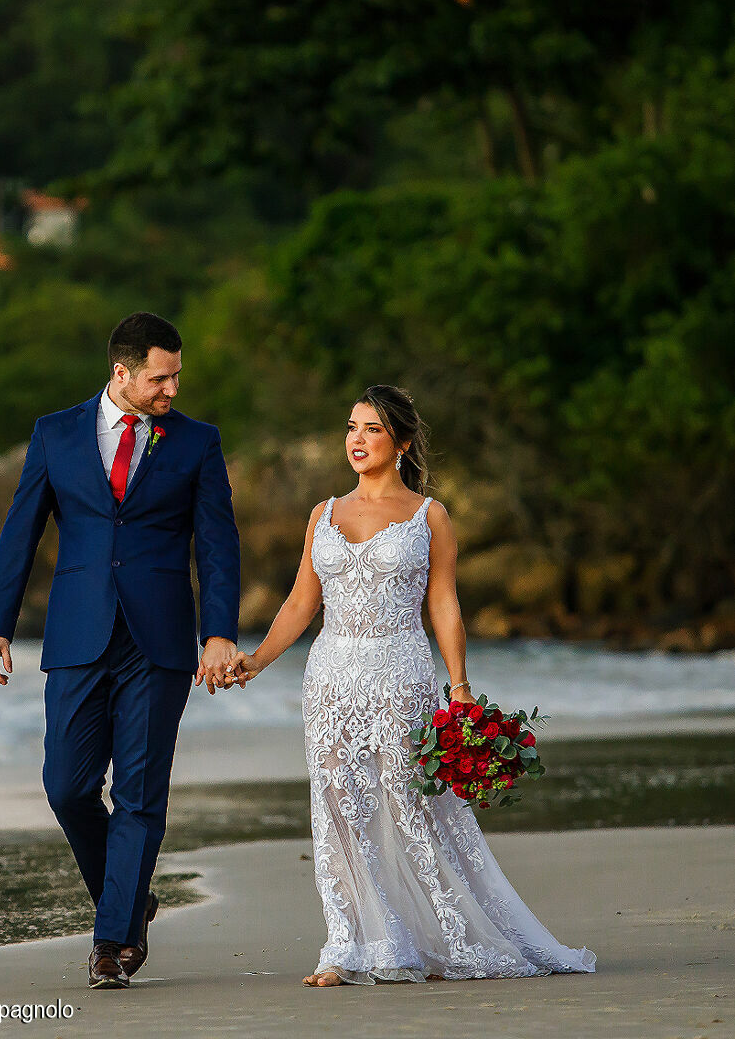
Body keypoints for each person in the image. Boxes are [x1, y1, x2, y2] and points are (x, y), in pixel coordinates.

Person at [223, 385, 595, 986]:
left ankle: (448, 935)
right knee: (339, 806)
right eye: (350, 428)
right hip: (331, 678)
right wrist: (257, 660)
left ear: (401, 441)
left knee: (412, 801)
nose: (356, 441)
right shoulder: (324, 514)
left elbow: (444, 604)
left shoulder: (429, 516)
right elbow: (299, 602)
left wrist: (459, 686)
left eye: (371, 429)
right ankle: (351, 945)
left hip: (402, 672)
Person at [0, 312, 241, 990]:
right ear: (121, 372)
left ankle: (111, 942)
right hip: (76, 634)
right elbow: (20, 532)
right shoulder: (54, 433)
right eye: (160, 377)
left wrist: (218, 632)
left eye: (176, 376)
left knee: (138, 795)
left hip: (158, 642)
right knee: (64, 785)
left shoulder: (197, 443)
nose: (171, 390)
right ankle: (130, 900)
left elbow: (215, 546)